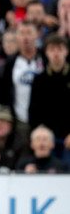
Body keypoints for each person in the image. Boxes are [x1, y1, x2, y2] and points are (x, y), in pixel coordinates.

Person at [0, 20, 44, 134]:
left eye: (29, 33)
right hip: (19, 121)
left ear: (37, 35)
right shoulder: (8, 65)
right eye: (22, 33)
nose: (26, 37)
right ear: (17, 36)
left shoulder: (45, 60)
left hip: (45, 121)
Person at [28, 34, 70, 164]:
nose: (56, 53)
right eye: (52, 49)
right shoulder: (39, 79)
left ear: (66, 51)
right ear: (47, 52)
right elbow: (33, 110)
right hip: (46, 137)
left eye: (59, 49)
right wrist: (41, 134)